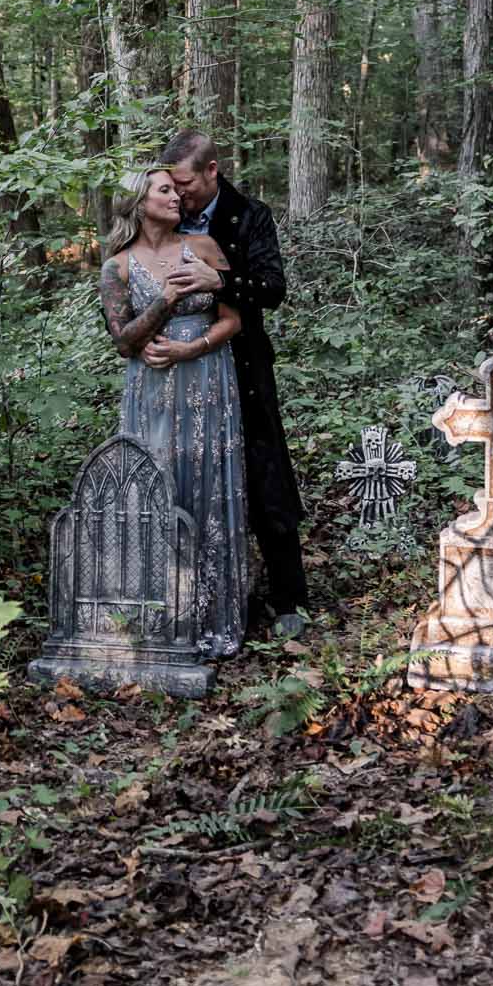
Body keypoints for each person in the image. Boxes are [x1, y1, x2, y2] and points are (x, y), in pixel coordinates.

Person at [159, 129, 310, 634]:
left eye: (186, 185)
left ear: (211, 170)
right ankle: (206, 595)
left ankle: (290, 598)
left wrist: (220, 281)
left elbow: (272, 288)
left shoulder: (250, 216)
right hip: (182, 373)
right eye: (172, 186)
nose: (180, 195)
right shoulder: (164, 213)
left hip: (242, 366)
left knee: (263, 471)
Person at [99, 164, 250, 653]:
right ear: (139, 202)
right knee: (159, 485)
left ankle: (211, 614)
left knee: (207, 486)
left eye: (174, 189)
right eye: (164, 190)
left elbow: (234, 319)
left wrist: (193, 347)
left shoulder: (204, 248)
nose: (175, 196)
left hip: (208, 379)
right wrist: (165, 299)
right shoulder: (117, 266)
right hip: (152, 391)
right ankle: (159, 614)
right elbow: (124, 341)